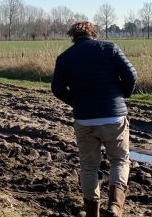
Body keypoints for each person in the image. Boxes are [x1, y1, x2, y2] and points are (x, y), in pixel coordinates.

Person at [51, 22, 137, 217]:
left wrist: (76, 102)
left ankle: (92, 212)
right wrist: (121, 96)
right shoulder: (110, 48)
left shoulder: (64, 58)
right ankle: (115, 207)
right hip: (114, 118)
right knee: (120, 160)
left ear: (73, 36)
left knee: (89, 166)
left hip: (85, 120)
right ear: (93, 34)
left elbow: (57, 89)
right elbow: (131, 75)